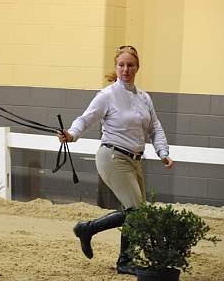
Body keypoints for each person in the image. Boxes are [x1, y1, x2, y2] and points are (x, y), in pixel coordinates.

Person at [57, 45, 174, 275]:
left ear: (137, 67)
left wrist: (163, 152)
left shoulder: (144, 98)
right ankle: (123, 261)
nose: (125, 69)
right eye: (121, 65)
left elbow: (155, 127)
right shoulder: (107, 95)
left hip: (134, 161)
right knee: (136, 211)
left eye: (130, 65)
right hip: (112, 156)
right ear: (116, 67)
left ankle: (87, 229)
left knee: (137, 213)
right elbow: (86, 118)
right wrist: (71, 135)